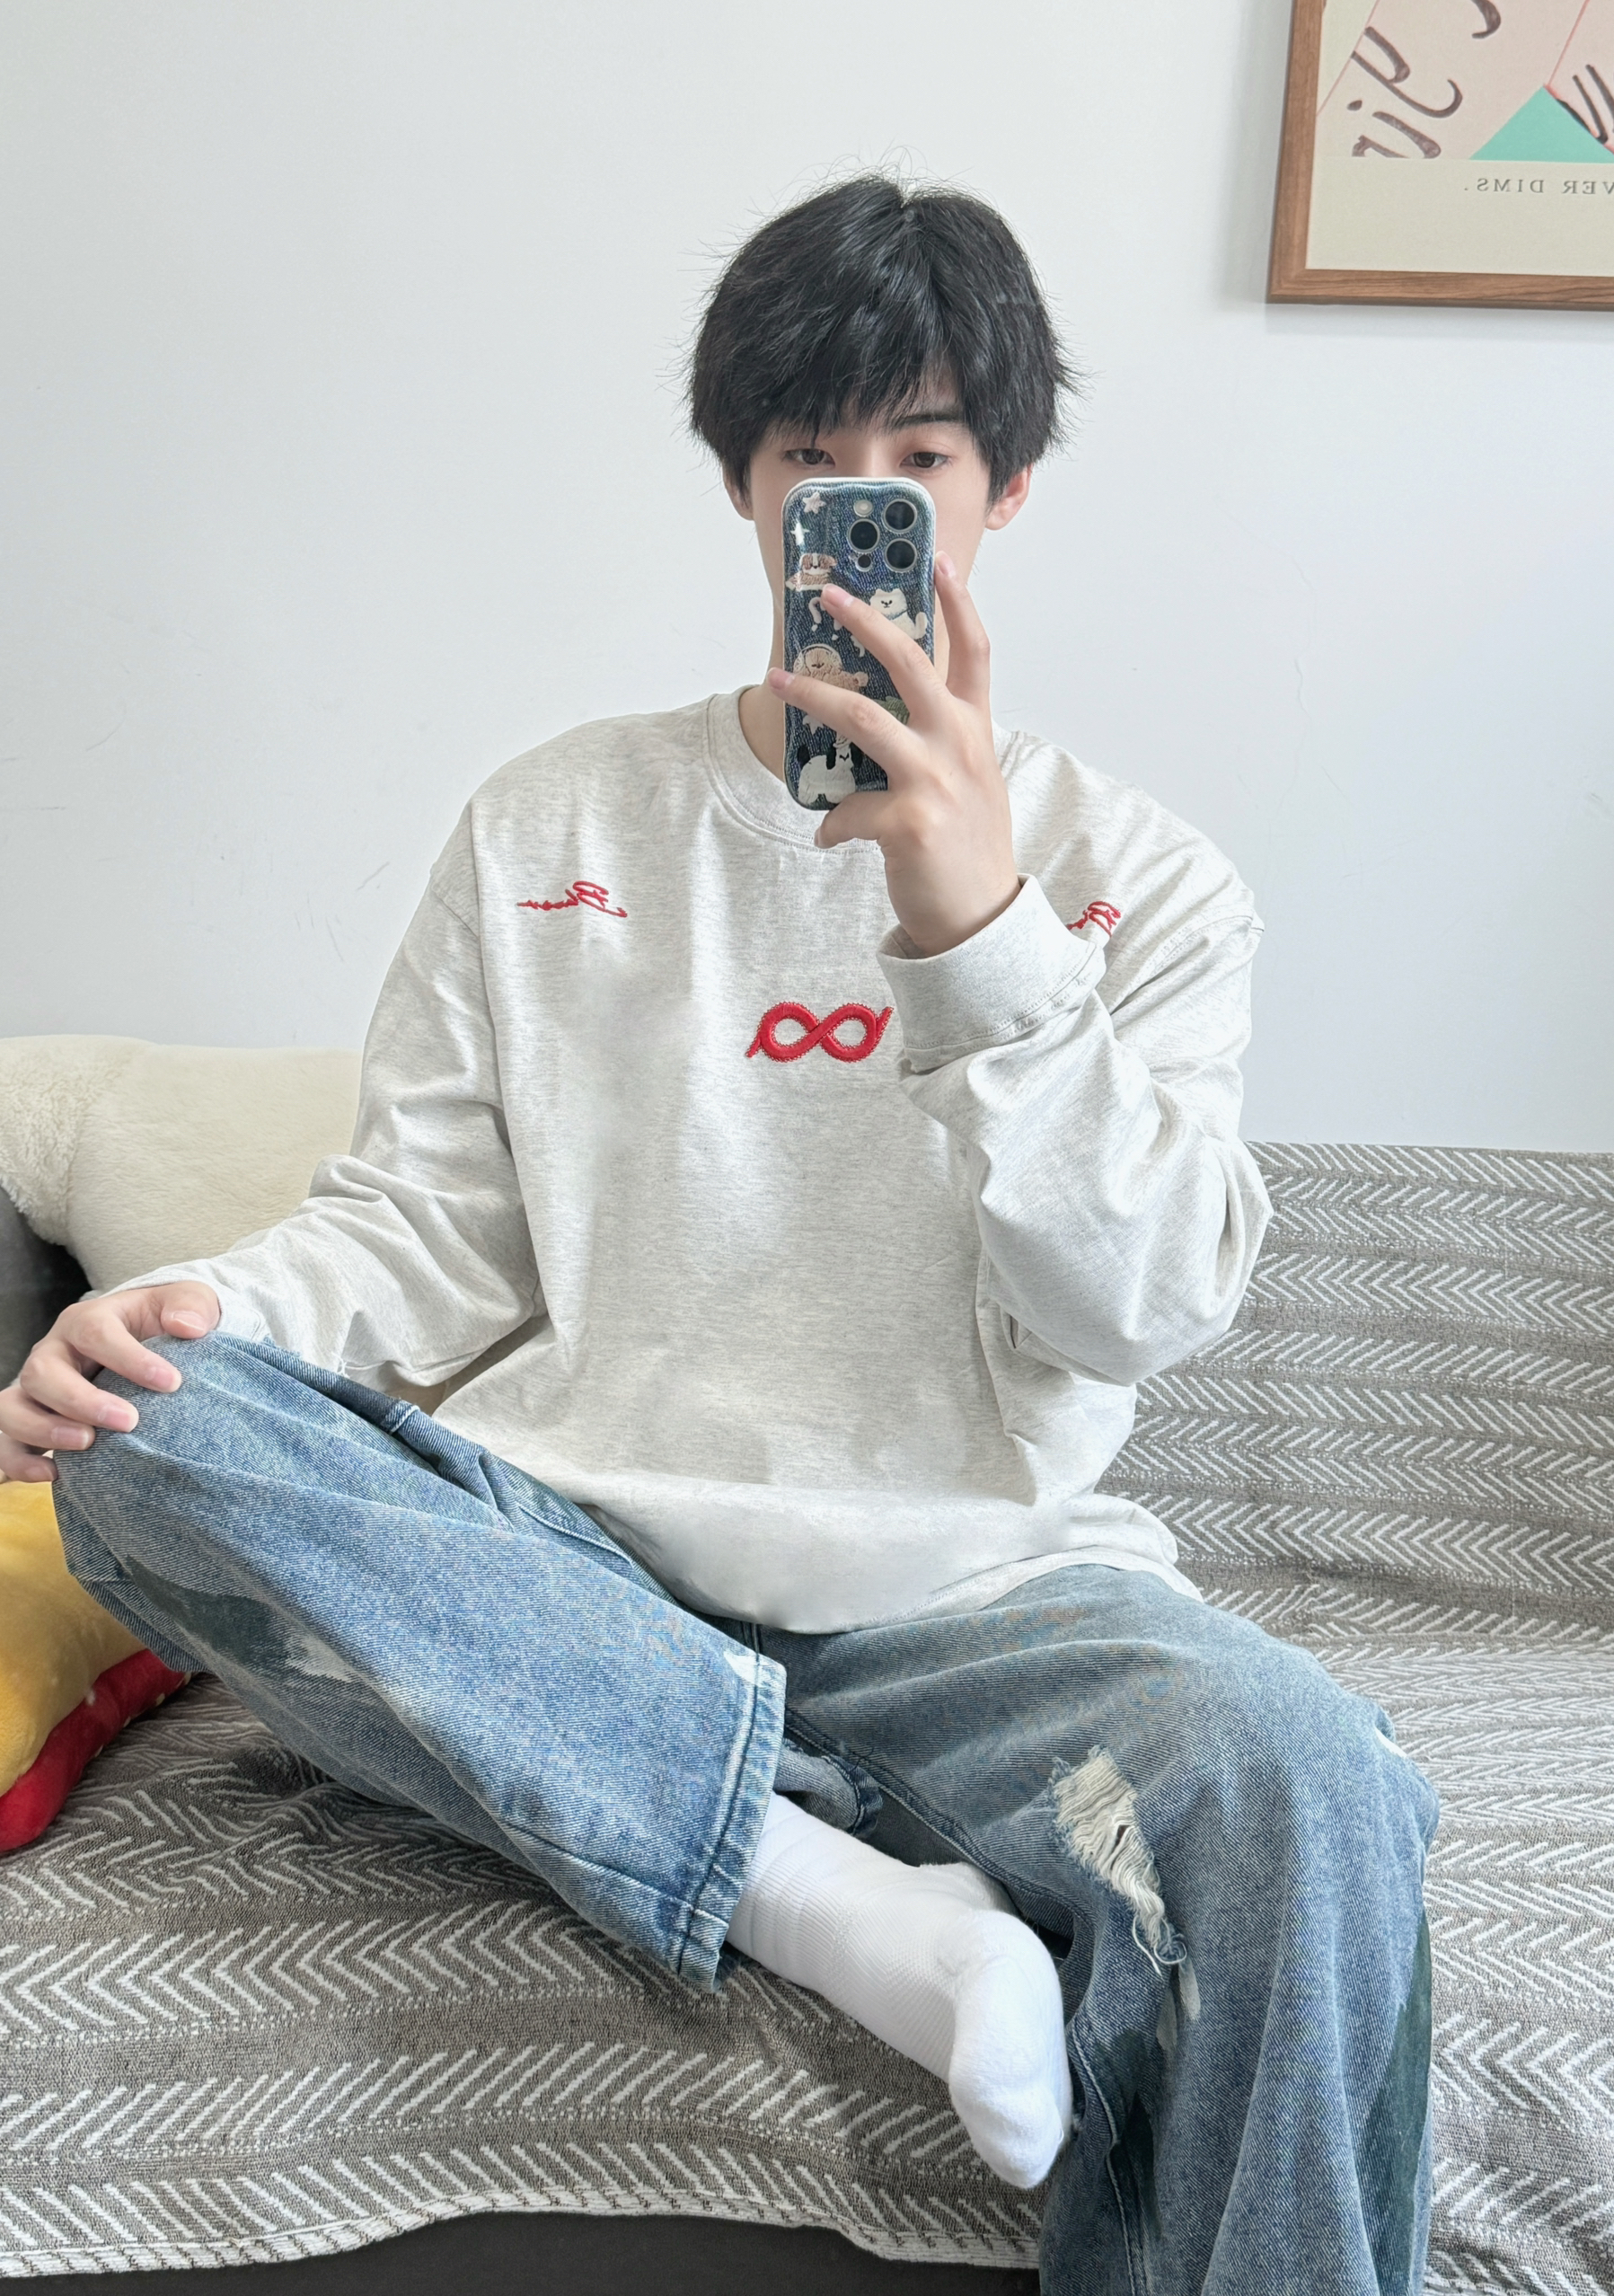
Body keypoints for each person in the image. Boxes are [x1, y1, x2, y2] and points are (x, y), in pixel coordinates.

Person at [0, 177, 1437, 2294]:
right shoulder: (551, 823)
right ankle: (834, 1901)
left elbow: (1139, 1306)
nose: (862, 508)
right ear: (747, 493)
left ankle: (719, 1821)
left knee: (1309, 1785)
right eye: (810, 460)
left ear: (1007, 491)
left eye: (920, 460)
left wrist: (979, 926)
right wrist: (192, 1312)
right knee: (148, 1439)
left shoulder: (1148, 883)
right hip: (577, 1577)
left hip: (975, 1609)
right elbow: (424, 1230)